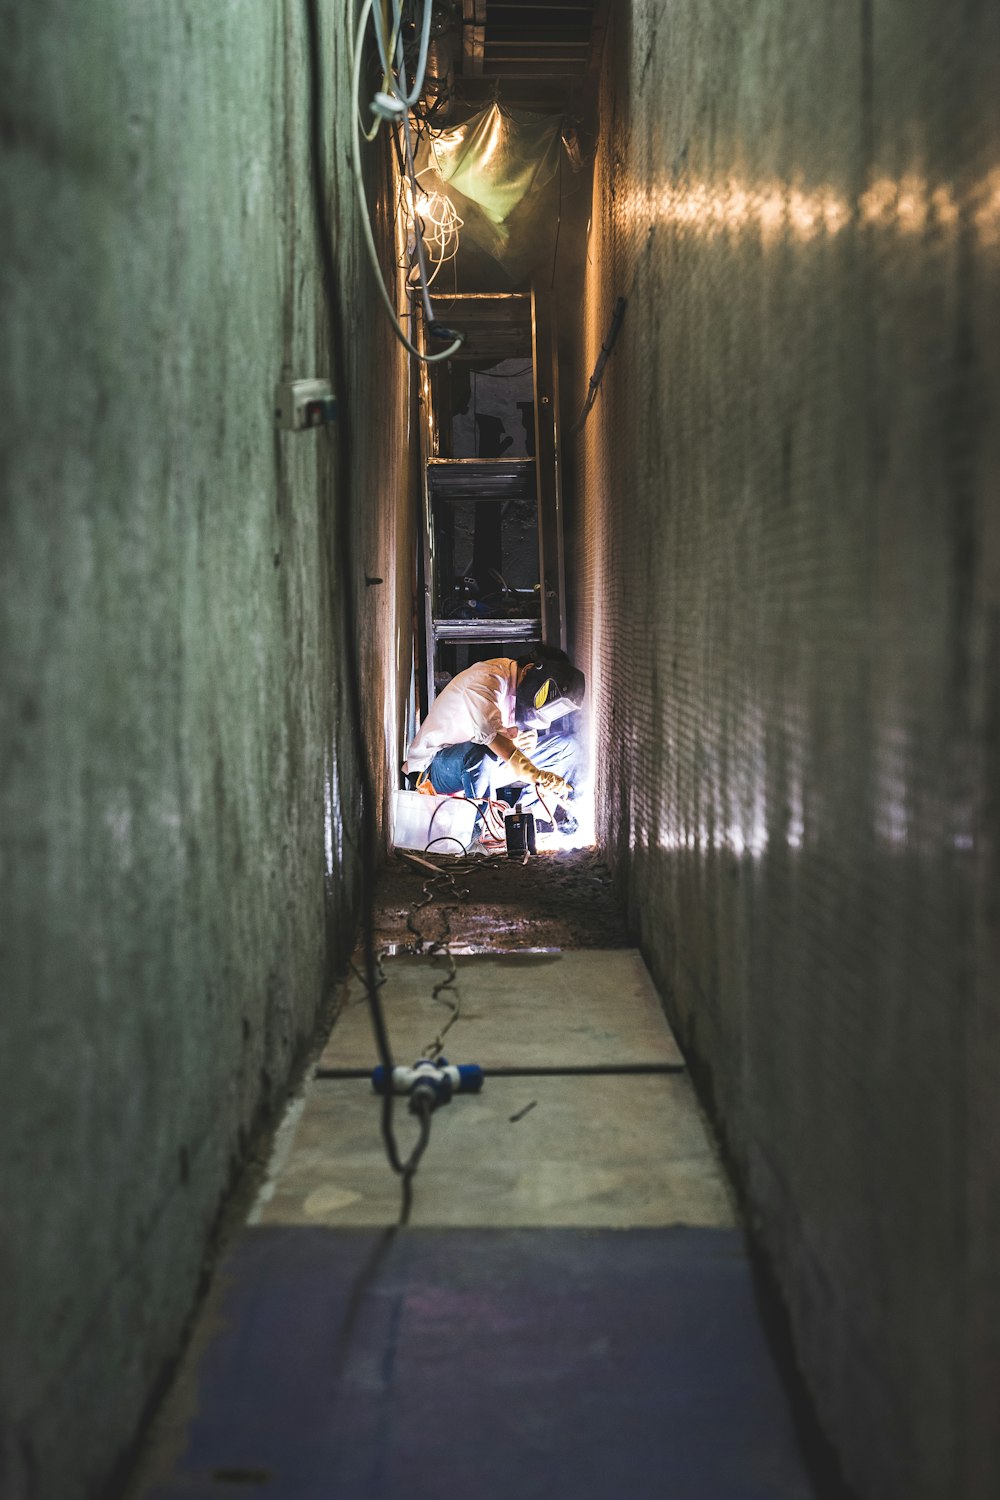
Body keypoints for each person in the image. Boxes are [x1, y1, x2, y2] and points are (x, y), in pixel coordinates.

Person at [403, 646, 585, 841]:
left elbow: (507, 739)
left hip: (482, 769)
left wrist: (525, 740)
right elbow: (491, 740)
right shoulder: (487, 679)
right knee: (482, 753)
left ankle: (528, 822)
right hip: (437, 769)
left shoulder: (518, 687)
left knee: (568, 747)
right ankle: (478, 829)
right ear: (529, 669)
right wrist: (536, 774)